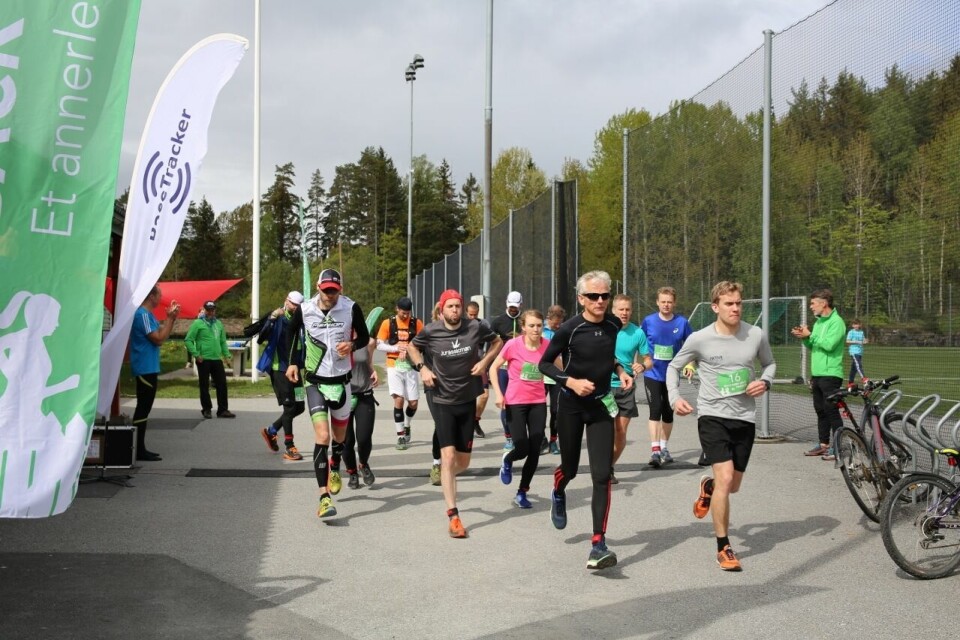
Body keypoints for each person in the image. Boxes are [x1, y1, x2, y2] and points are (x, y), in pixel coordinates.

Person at [668, 281, 775, 572]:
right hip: (712, 416)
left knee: (732, 485)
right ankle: (723, 546)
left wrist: (764, 382)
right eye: (729, 304)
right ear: (715, 307)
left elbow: (770, 364)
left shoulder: (755, 334)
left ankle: (708, 487)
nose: (736, 308)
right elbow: (674, 367)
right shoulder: (701, 339)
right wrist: (675, 397)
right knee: (727, 479)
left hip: (744, 418)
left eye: (739, 303)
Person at [538, 271, 632, 570]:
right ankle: (558, 489)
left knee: (602, 475)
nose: (601, 301)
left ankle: (598, 543)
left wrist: (620, 370)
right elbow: (544, 364)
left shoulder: (614, 324)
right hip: (571, 406)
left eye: (605, 295)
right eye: (594, 296)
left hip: (600, 406)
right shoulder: (569, 329)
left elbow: (606, 355)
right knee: (570, 468)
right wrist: (571, 382)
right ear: (581, 299)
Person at [407, 289, 502, 538]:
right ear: (441, 309)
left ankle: (447, 475)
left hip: (467, 398)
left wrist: (485, 362)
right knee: (448, 457)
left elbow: (497, 342)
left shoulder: (475, 327)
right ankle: (454, 515)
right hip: (441, 398)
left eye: (457, 306)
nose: (454, 311)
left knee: (463, 462)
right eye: (449, 307)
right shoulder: (430, 330)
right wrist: (423, 369)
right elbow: (411, 348)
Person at [285, 268, 369, 518]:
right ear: (319, 288)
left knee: (339, 438)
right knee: (322, 435)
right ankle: (324, 497)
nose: (330, 295)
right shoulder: (305, 309)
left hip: (342, 381)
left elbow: (364, 336)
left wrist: (352, 344)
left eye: (334, 291)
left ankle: (335, 465)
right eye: (326, 290)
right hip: (315, 382)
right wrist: (292, 362)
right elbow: (291, 333)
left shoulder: (351, 308)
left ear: (339, 290)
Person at [490, 309, 549, 509]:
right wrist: (498, 394)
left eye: (539, 325)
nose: (536, 329)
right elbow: (493, 368)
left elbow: (561, 368)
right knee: (522, 447)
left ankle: (522, 492)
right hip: (515, 402)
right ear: (523, 327)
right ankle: (508, 458)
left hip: (538, 402)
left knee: (535, 450)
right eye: (531, 325)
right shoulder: (512, 345)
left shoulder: (547, 346)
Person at [641, 286, 694, 467]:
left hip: (672, 374)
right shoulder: (648, 321)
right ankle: (655, 450)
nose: (666, 305)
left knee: (667, 412)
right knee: (655, 409)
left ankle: (664, 447)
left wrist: (690, 364)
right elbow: (640, 342)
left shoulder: (682, 322)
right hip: (652, 373)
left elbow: (692, 345)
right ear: (657, 302)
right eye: (663, 302)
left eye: (669, 302)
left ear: (674, 303)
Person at [791, 289, 845, 461]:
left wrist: (810, 336)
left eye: (813, 303)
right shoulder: (820, 323)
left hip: (831, 374)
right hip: (818, 374)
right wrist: (804, 338)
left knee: (831, 410)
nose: (811, 307)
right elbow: (813, 346)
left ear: (824, 303)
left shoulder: (837, 322)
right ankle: (824, 445)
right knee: (820, 410)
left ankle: (839, 448)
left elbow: (829, 345)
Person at [129, 285, 180, 461]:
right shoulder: (142, 314)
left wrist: (170, 319)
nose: (161, 299)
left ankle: (139, 447)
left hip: (149, 367)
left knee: (145, 408)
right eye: (159, 295)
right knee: (143, 408)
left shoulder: (148, 315)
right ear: (151, 296)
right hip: (144, 367)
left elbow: (161, 335)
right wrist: (170, 319)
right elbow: (158, 339)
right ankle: (138, 449)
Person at [256, 292, 306, 461]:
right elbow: (261, 337)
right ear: (286, 301)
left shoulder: (301, 320)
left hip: (296, 369)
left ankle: (271, 431)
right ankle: (290, 447)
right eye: (293, 304)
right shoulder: (278, 318)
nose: (296, 308)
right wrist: (272, 317)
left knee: (300, 407)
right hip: (280, 369)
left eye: (299, 306)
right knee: (289, 407)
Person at [610, 294, 653, 483]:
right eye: (621, 309)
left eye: (627, 309)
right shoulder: (605, 329)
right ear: (613, 310)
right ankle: (602, 466)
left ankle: (608, 467)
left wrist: (642, 366)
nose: (624, 313)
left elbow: (648, 359)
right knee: (606, 432)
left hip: (626, 387)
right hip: (604, 387)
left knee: (620, 432)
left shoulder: (638, 333)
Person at [331, 331, 378, 489]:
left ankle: (363, 464)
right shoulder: (335, 341)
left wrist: (373, 372)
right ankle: (351, 472)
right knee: (347, 440)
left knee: (364, 437)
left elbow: (368, 363)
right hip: (343, 395)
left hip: (364, 394)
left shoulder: (369, 342)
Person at [376, 297, 424, 451]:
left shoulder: (417, 323)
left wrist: (410, 350)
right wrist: (396, 348)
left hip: (410, 366)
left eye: (408, 313)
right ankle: (400, 436)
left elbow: (424, 342)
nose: (405, 316)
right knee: (398, 400)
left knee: (413, 403)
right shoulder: (387, 323)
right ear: (397, 309)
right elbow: (379, 344)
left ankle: (407, 424)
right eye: (403, 313)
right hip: (393, 365)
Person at [184, 300, 235, 419]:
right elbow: (188, 340)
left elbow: (222, 342)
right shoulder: (198, 323)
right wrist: (196, 354)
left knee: (222, 384)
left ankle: (223, 410)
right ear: (204, 310)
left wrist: (227, 356)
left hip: (216, 358)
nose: (211, 312)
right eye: (208, 310)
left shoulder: (219, 324)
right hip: (203, 359)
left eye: (212, 310)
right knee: (204, 385)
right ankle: (206, 409)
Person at [490, 291, 524, 450]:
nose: (513, 310)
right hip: (504, 368)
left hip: (522, 368)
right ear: (506, 303)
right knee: (505, 402)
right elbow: (490, 344)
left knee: (522, 403)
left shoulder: (525, 321)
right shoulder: (498, 322)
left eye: (515, 307)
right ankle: (508, 437)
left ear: (520, 305)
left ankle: (521, 435)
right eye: (510, 307)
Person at [542, 304, 566, 455]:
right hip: (540, 376)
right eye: (555, 322)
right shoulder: (540, 330)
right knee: (539, 411)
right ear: (549, 318)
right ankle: (540, 440)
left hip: (557, 376)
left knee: (556, 411)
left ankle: (553, 441)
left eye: (560, 322)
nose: (557, 325)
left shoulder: (563, 331)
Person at [466, 300, 490, 439]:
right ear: (466, 313)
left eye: (475, 315)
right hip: (464, 364)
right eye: (470, 315)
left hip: (480, 363)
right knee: (467, 396)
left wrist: (487, 357)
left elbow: (493, 340)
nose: (473, 317)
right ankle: (465, 423)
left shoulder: (484, 324)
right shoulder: (461, 325)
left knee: (484, 395)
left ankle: (475, 420)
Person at [846, 319, 867, 388]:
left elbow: (863, 340)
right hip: (853, 351)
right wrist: (856, 342)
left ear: (860, 325)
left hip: (860, 352)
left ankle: (850, 383)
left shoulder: (861, 332)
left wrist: (865, 341)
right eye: (855, 324)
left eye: (857, 324)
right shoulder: (851, 332)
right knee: (858, 365)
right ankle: (864, 378)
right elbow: (848, 341)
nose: (856, 325)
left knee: (854, 368)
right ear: (852, 325)